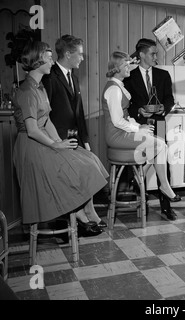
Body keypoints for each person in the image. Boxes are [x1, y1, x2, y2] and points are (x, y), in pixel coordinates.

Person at [13, 41, 108, 238]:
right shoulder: (26, 91)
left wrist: (62, 144)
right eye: (48, 58)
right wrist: (56, 144)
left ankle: (81, 213)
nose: (51, 62)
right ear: (37, 61)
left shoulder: (40, 88)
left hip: (44, 142)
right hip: (31, 148)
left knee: (88, 159)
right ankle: (79, 214)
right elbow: (32, 130)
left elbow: (46, 120)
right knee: (76, 168)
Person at [102, 51, 180, 221]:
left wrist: (139, 126)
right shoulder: (114, 89)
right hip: (117, 134)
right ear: (117, 68)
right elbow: (117, 121)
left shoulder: (118, 85)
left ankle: (141, 175)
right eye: (126, 64)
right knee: (160, 145)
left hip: (123, 131)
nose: (129, 66)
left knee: (158, 145)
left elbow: (125, 116)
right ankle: (161, 184)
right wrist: (138, 128)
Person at [42, 34, 107, 230]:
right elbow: (46, 115)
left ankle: (88, 211)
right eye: (79, 54)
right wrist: (56, 142)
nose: (82, 58)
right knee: (82, 171)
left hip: (74, 138)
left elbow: (79, 114)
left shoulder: (74, 78)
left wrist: (85, 140)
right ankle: (80, 214)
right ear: (68, 54)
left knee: (91, 165)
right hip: (57, 140)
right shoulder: (49, 77)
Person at [123, 38, 180, 221]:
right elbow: (127, 106)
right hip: (139, 126)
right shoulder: (129, 77)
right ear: (141, 55)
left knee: (165, 165)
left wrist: (165, 107)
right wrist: (138, 112)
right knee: (141, 163)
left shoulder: (163, 75)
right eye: (153, 53)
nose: (156, 56)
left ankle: (166, 207)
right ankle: (142, 204)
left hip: (160, 123)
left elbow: (170, 99)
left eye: (156, 53)